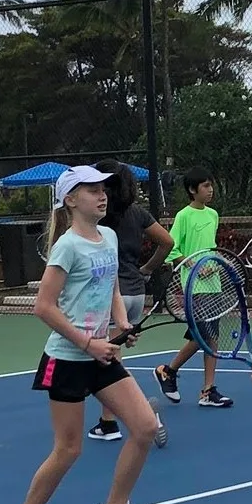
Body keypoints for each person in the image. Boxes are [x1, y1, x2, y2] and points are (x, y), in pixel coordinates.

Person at [3, 166, 163, 504]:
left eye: (102, 189)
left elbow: (109, 284)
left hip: (100, 353)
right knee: (68, 449)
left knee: (144, 428)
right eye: (91, 190)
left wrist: (120, 322)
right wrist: (87, 342)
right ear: (71, 200)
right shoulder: (66, 247)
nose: (101, 195)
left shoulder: (107, 236)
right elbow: (43, 306)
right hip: (67, 358)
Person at [89, 163, 172, 442]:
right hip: (136, 295)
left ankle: (141, 415)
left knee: (107, 363)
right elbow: (167, 242)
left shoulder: (98, 220)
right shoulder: (138, 213)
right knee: (109, 359)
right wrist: (146, 270)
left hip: (113, 298)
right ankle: (107, 422)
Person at [153, 169, 231, 409]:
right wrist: (194, 266)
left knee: (211, 336)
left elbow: (211, 247)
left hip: (214, 284)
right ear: (192, 190)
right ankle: (168, 370)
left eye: (211, 185)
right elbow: (173, 250)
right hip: (193, 285)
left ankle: (207, 390)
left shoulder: (213, 215)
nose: (210, 190)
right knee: (204, 335)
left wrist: (218, 262)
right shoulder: (183, 216)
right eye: (205, 186)